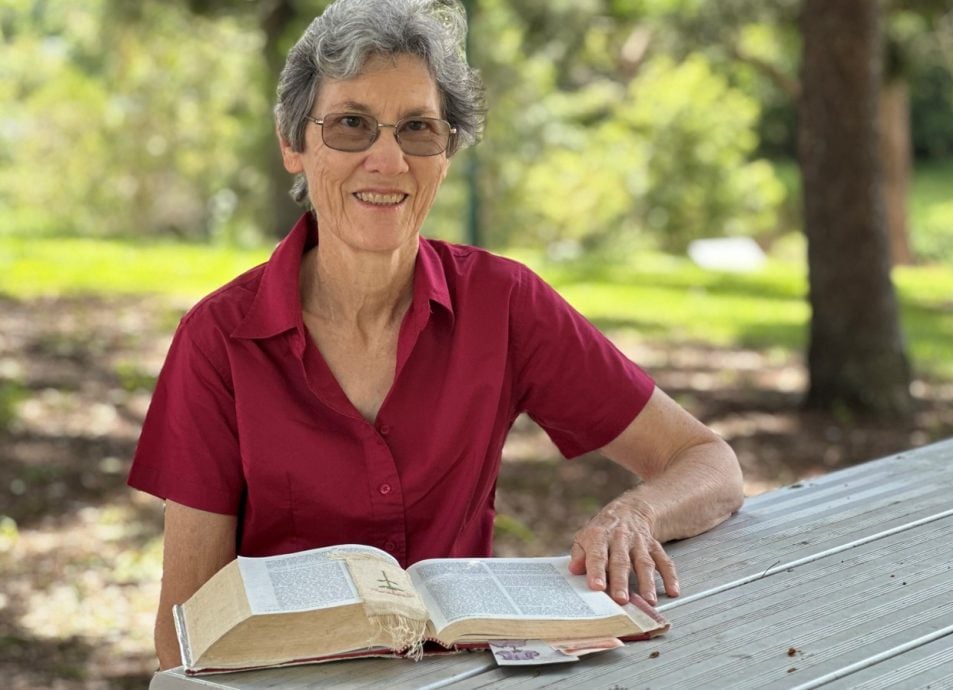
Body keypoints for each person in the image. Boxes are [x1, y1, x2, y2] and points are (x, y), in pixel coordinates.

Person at [128, 0, 744, 670]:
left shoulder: (503, 303)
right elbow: (182, 637)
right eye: (351, 125)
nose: (388, 160)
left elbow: (708, 461)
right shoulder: (219, 339)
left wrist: (635, 515)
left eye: (419, 128)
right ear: (293, 145)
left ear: (446, 152)